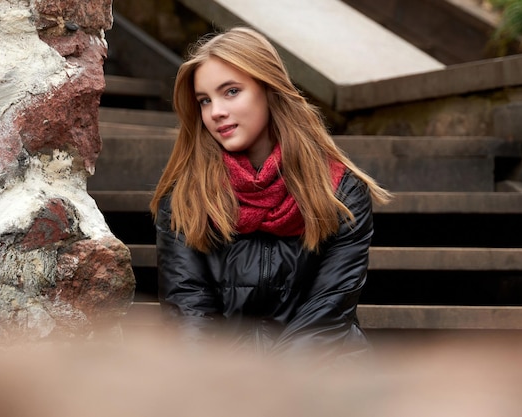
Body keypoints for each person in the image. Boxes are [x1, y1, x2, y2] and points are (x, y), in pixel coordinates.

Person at [149, 27, 391, 362]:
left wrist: (272, 392)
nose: (215, 111)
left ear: (268, 89)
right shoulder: (185, 196)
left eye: (231, 92)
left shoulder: (340, 192)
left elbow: (327, 313)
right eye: (205, 100)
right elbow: (189, 315)